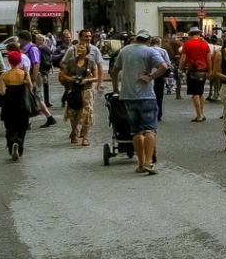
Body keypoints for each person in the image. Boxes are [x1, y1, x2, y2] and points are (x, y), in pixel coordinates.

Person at [111, 30, 168, 175]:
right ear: (148, 40)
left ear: (136, 38)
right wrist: (152, 76)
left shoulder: (125, 50)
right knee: (149, 129)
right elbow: (164, 66)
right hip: (147, 95)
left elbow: (114, 70)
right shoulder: (149, 51)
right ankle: (149, 162)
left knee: (136, 131)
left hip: (128, 96)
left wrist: (116, 89)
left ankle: (141, 163)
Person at [59, 39, 98, 145]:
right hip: (74, 91)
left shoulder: (91, 62)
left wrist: (87, 80)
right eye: (78, 48)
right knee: (73, 113)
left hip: (86, 91)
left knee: (87, 113)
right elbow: (63, 75)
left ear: (87, 50)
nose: (80, 49)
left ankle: (85, 137)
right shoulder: (71, 62)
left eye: (82, 48)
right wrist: (71, 79)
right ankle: (74, 132)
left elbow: (96, 77)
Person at [0, 50, 33, 161]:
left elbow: (2, 92)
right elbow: (30, 87)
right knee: (22, 127)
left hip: (9, 105)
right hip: (22, 103)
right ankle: (19, 143)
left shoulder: (4, 75)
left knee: (10, 127)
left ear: (9, 61)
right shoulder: (24, 74)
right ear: (19, 61)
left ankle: (12, 142)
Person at [17, 30, 55, 128]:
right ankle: (29, 122)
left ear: (23, 39)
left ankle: (49, 117)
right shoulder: (26, 48)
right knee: (30, 97)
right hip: (29, 76)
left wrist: (32, 80)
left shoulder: (32, 48)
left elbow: (36, 64)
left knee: (37, 97)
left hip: (34, 76)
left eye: (19, 39)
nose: (18, 41)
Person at [180, 26, 211, 122]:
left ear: (190, 34)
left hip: (193, 71)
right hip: (203, 70)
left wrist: (180, 68)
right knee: (201, 93)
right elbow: (209, 58)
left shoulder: (187, 44)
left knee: (195, 94)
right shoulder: (205, 43)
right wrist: (209, 70)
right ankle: (202, 113)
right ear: (199, 34)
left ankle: (199, 115)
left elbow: (183, 58)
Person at [148, 36, 170, 122]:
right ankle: (159, 114)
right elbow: (167, 63)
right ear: (159, 43)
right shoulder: (163, 51)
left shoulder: (147, 50)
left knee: (148, 94)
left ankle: (149, 113)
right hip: (159, 74)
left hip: (148, 73)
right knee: (159, 95)